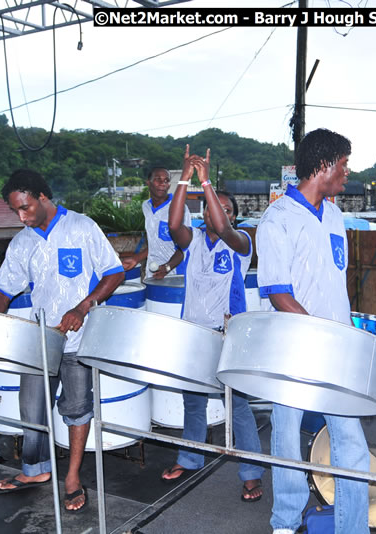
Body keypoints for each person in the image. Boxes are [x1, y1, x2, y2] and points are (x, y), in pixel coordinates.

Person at [0, 169, 124, 512]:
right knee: (32, 410)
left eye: (26, 207)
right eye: (15, 210)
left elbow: (115, 272)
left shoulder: (81, 227)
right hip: (41, 341)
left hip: (79, 341)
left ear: (42, 198)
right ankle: (35, 471)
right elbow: (2, 290)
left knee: (77, 409)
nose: (21, 216)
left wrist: (83, 305)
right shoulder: (22, 242)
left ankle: (73, 478)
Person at [256, 128, 370, 534]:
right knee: (287, 437)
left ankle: (352, 528)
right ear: (323, 165)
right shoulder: (278, 219)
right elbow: (279, 294)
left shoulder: (336, 215)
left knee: (351, 443)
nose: (346, 172)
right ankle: (285, 524)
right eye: (343, 164)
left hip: (335, 351)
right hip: (295, 348)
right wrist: (317, 337)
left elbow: (332, 286)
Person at [160, 146, 265, 502]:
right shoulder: (192, 243)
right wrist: (186, 179)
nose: (217, 213)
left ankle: (251, 472)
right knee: (193, 402)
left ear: (233, 216)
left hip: (227, 335)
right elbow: (174, 225)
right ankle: (190, 458)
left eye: (226, 209)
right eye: (210, 207)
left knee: (237, 406)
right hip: (194, 333)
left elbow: (221, 225)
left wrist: (207, 183)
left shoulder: (241, 244)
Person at [121, 166, 191, 279]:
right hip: (152, 272)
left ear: (169, 185)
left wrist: (168, 267)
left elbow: (186, 246)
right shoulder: (146, 206)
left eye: (166, 180)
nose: (162, 183)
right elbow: (155, 244)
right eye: (158, 179)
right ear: (148, 183)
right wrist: (136, 259)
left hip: (175, 273)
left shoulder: (179, 209)